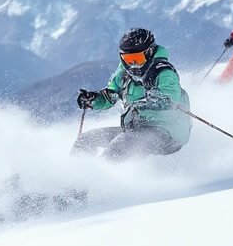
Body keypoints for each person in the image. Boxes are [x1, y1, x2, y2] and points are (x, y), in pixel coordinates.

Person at [74, 28, 191, 160]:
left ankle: (99, 179)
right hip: (136, 131)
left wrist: (142, 103)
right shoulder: (124, 73)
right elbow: (110, 96)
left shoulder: (163, 72)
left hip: (167, 135)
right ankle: (74, 174)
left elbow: (169, 99)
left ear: (149, 53)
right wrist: (93, 100)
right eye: (128, 59)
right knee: (86, 139)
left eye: (137, 58)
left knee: (119, 146)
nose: (133, 65)